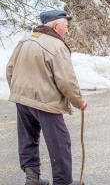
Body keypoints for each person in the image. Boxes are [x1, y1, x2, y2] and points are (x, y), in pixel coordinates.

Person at [6, 10, 88, 185]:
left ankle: (32, 178)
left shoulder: (25, 40)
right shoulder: (56, 46)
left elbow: (10, 69)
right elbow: (67, 81)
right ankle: (63, 182)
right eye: (66, 26)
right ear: (56, 26)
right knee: (60, 143)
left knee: (28, 139)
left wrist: (18, 91)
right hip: (45, 102)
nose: (67, 31)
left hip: (22, 100)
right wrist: (79, 101)